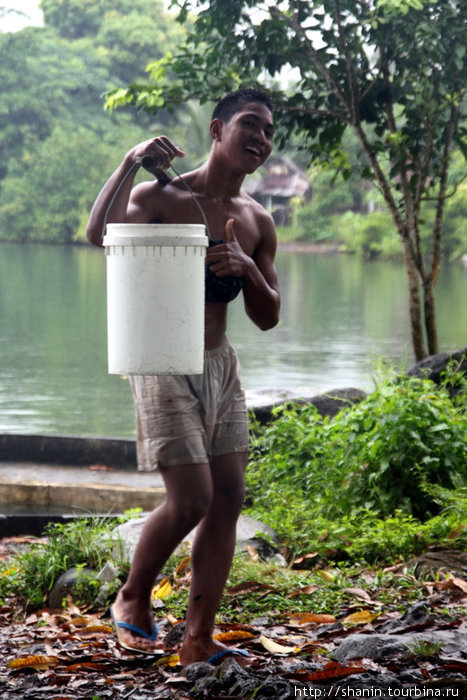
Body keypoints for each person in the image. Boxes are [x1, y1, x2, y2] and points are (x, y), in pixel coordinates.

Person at [86, 88, 280, 664]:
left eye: (269, 131)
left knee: (228, 498)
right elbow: (100, 236)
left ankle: (197, 639)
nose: (261, 138)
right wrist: (127, 162)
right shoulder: (165, 196)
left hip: (221, 365)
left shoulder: (256, 219)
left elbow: (268, 318)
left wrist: (246, 269)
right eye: (251, 123)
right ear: (218, 129)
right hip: (163, 359)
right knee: (192, 497)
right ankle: (131, 597)